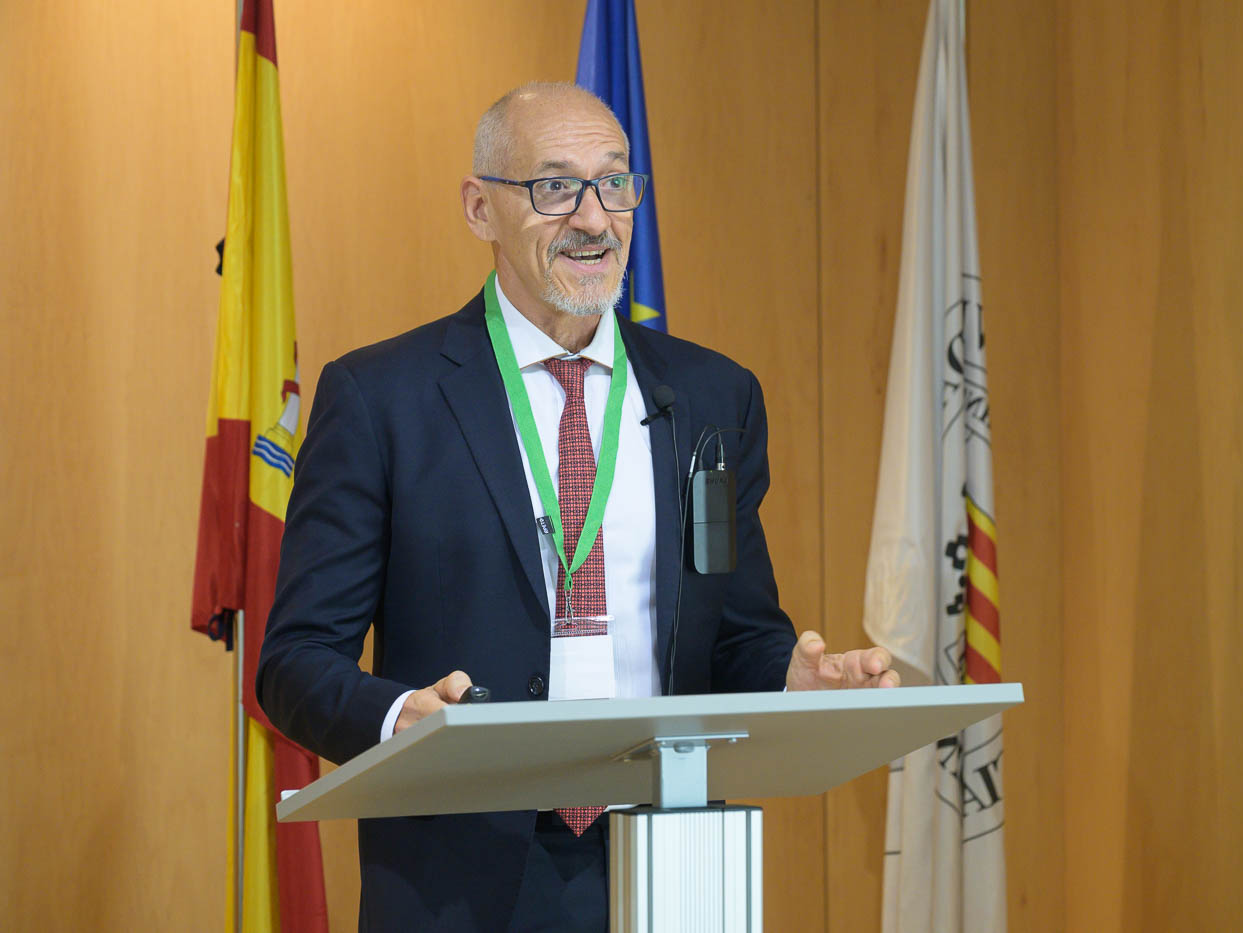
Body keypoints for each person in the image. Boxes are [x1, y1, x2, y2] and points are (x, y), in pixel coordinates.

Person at [256, 82, 899, 932]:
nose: (594, 219)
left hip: (671, 860)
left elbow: (735, 634)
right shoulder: (383, 399)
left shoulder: (713, 396)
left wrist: (791, 679)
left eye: (615, 182)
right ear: (480, 207)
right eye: (555, 186)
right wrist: (400, 715)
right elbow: (295, 662)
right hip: (462, 874)